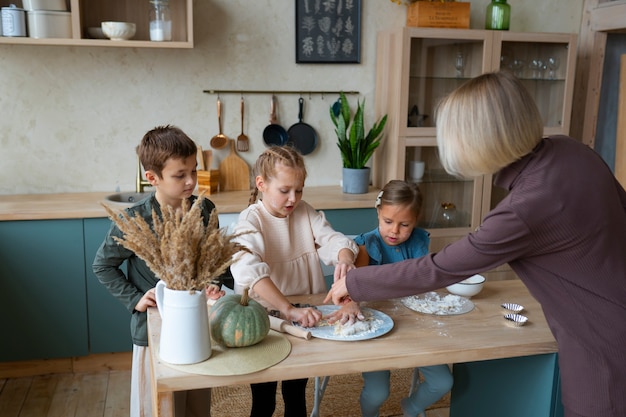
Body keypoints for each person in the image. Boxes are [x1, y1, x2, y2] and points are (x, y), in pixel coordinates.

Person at [326, 71, 626, 417]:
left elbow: (440, 268)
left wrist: (354, 282)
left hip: (603, 350)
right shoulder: (571, 150)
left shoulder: (525, 208)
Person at [93, 125, 225, 417]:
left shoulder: (204, 210)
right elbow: (103, 265)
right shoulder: (134, 220)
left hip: (197, 326)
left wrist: (215, 284)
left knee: (197, 405)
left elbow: (217, 263)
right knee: (162, 407)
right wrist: (135, 299)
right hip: (153, 332)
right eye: (180, 175)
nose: (191, 181)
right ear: (152, 177)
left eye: (194, 170)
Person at [230, 145, 358, 417]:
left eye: (299, 190)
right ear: (261, 184)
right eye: (285, 190)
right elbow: (248, 270)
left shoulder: (305, 212)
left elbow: (335, 241)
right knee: (263, 402)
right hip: (265, 320)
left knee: (295, 396)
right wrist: (288, 308)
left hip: (305, 315)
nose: (293, 198)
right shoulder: (251, 220)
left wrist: (344, 258)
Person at [348, 180, 452, 417]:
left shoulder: (418, 241)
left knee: (443, 382)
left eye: (404, 224)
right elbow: (356, 288)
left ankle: (412, 406)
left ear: (416, 220)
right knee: (377, 394)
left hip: (416, 328)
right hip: (378, 330)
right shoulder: (366, 245)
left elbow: (423, 280)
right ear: (378, 212)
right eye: (388, 222)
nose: (394, 231)